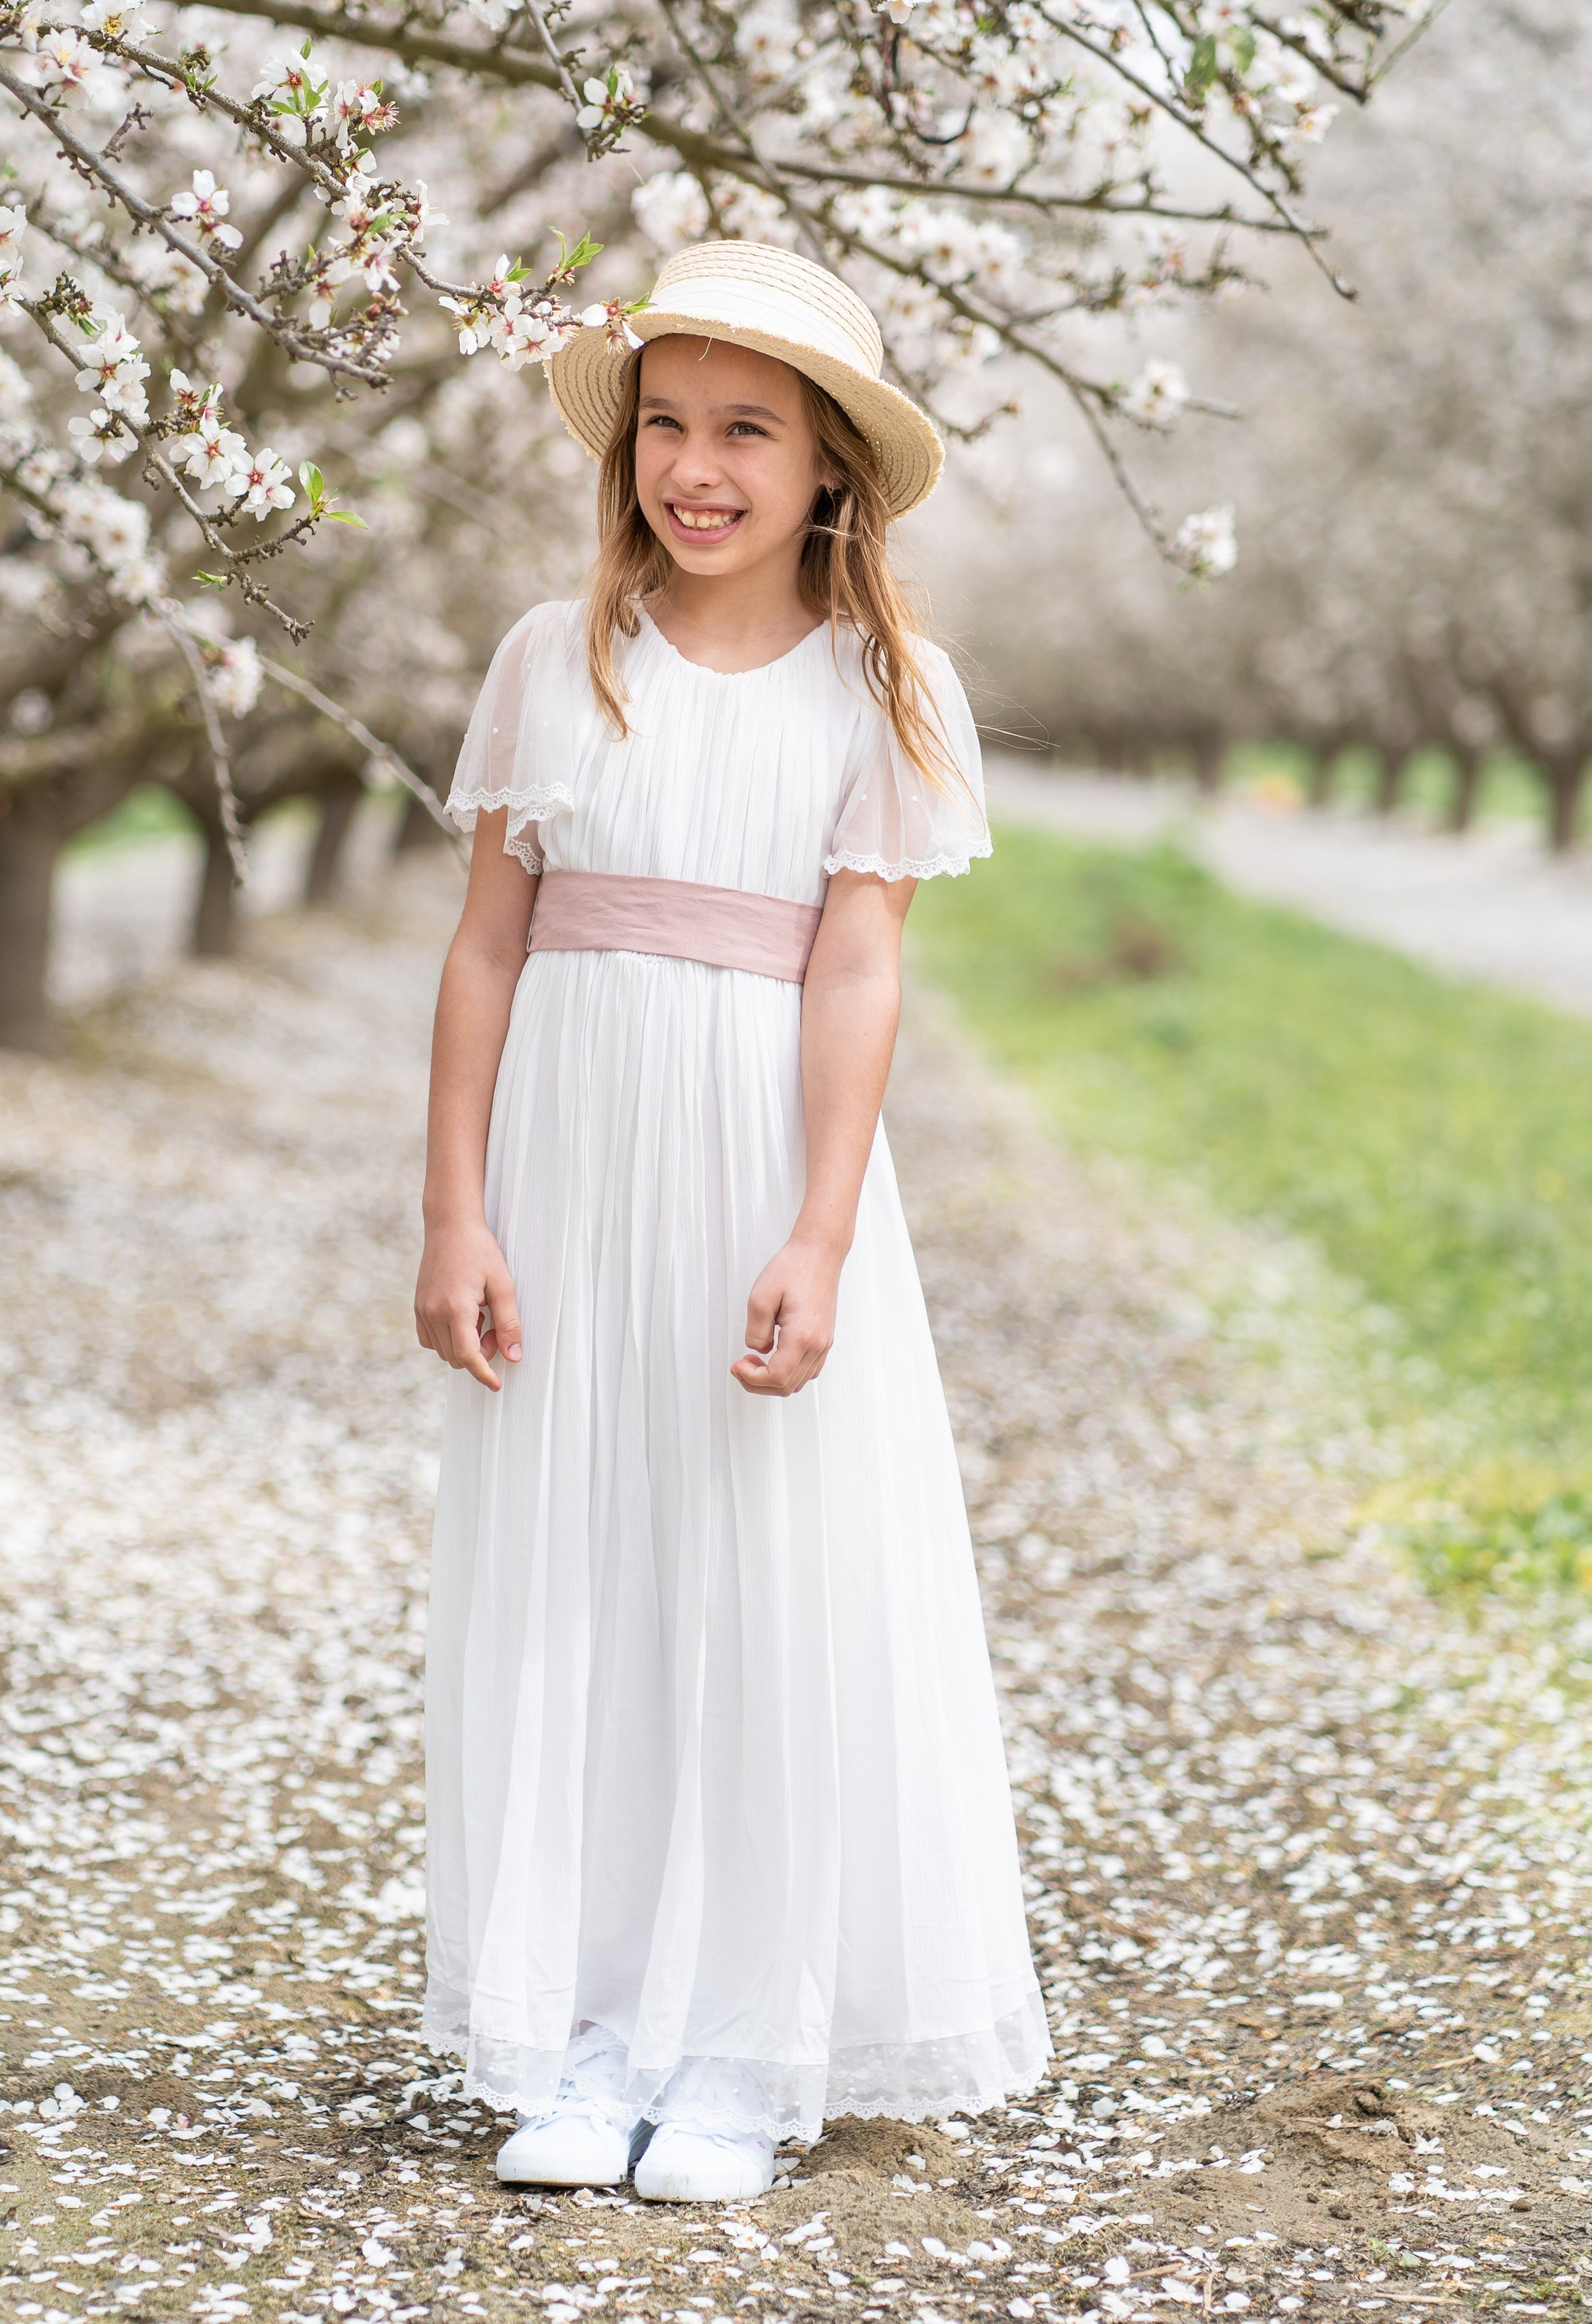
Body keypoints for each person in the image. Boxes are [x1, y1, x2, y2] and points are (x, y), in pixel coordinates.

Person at [414, 241, 1050, 2205]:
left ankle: (736, 2039)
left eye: (745, 430)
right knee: (587, 1571)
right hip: (569, 1170)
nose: (696, 466)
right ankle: (587, 2024)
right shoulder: (557, 656)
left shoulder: (885, 688)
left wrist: (823, 1232)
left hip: (750, 1173)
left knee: (753, 1581)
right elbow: (486, 951)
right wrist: (456, 1210)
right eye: (667, 426)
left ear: (829, 467)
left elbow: (856, 970)